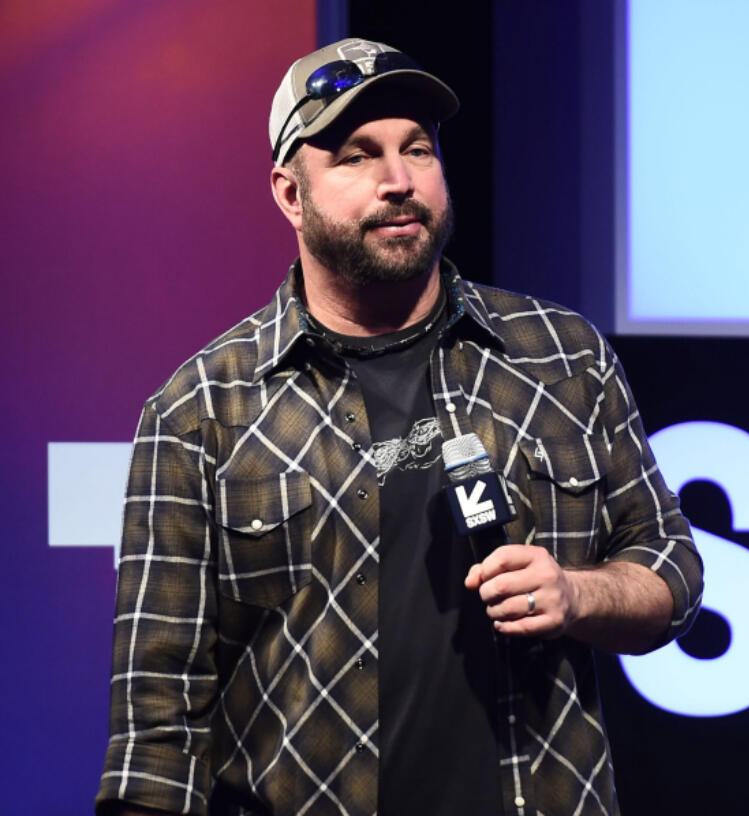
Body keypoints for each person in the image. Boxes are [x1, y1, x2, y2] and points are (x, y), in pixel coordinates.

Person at [96, 37, 702, 816]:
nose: (398, 180)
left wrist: (577, 593)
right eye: (356, 155)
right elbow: (157, 719)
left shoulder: (562, 355)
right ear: (289, 194)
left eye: (418, 148)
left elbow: (673, 571)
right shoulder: (200, 409)